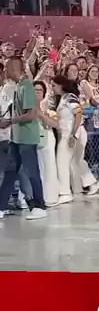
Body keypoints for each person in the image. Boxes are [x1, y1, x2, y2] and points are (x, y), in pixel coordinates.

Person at [0, 56, 47, 220]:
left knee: (32, 172)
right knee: (10, 172)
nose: (5, 71)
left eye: (6, 67)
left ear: (14, 68)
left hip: (27, 138)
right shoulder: (18, 86)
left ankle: (40, 206)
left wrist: (9, 121)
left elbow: (31, 114)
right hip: (16, 138)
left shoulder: (26, 86)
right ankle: (1, 206)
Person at [53, 75, 99, 203]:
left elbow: (78, 113)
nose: (53, 88)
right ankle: (91, 183)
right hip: (68, 134)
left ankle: (65, 192)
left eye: (54, 85)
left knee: (62, 162)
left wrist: (73, 135)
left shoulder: (70, 97)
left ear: (61, 85)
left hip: (70, 135)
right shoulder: (63, 98)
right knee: (75, 162)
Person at [34, 81, 59, 207]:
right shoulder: (27, 107)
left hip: (47, 138)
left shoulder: (48, 108)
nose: (37, 92)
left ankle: (50, 197)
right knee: (37, 168)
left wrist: (42, 115)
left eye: (40, 90)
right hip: (32, 139)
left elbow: (56, 124)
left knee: (49, 167)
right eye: (35, 90)